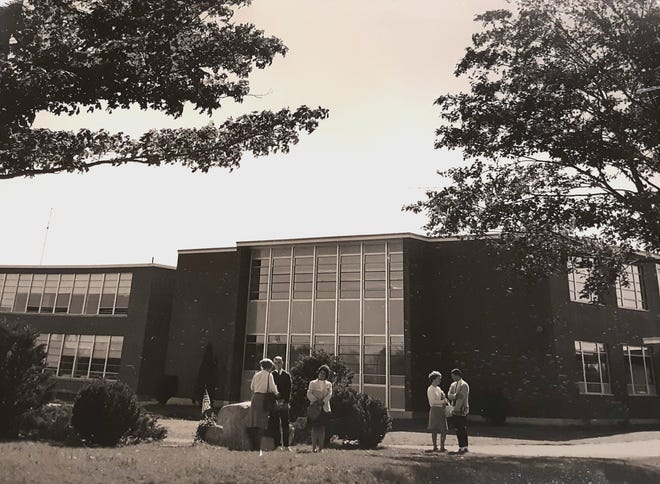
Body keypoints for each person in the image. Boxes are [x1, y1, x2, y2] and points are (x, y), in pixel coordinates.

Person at [248, 358, 280, 456]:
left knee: (254, 422)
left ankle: (253, 447)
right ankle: (259, 448)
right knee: (262, 423)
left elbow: (252, 387)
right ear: (269, 367)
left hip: (255, 398)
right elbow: (273, 388)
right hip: (264, 399)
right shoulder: (269, 375)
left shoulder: (256, 374)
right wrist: (278, 394)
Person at [306, 364, 332, 453]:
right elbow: (309, 393)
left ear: (326, 375)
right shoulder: (312, 383)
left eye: (324, 374)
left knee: (322, 428)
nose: (322, 375)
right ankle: (313, 448)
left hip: (324, 408)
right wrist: (316, 401)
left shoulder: (329, 384)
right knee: (314, 428)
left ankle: (321, 448)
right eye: (320, 373)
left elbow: (329, 395)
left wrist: (323, 401)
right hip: (314, 409)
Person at [269, 355, 292, 451]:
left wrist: (284, 401)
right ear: (274, 364)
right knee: (275, 424)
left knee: (285, 424)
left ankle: (286, 446)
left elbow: (288, 389)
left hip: (284, 403)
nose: (278, 364)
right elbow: (270, 389)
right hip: (274, 403)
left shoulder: (287, 375)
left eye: (279, 362)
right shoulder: (271, 375)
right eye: (276, 362)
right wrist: (275, 400)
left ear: (282, 363)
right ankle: (277, 445)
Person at [448, 368, 470, 453]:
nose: (452, 377)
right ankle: (460, 445)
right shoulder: (453, 385)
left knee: (462, 428)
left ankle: (464, 446)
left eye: (453, 376)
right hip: (454, 409)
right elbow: (449, 395)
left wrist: (457, 409)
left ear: (457, 375)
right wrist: (455, 396)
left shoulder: (464, 385)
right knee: (457, 429)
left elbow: (461, 397)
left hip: (462, 409)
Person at [426, 371, 448, 452]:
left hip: (441, 410)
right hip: (435, 409)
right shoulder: (430, 389)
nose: (440, 380)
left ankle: (442, 446)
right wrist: (443, 402)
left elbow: (443, 398)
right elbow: (432, 402)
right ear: (434, 379)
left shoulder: (439, 389)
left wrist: (444, 401)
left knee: (444, 429)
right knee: (434, 429)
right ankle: (435, 446)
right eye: (438, 379)